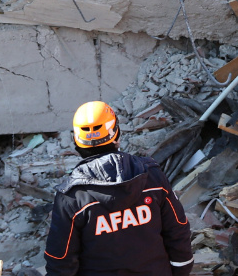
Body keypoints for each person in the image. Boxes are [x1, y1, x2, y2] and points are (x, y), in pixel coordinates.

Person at [44, 101, 194, 276]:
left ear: (77, 142)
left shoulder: (72, 197)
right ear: (116, 135)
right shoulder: (152, 176)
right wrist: (181, 270)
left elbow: (60, 260)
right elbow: (178, 230)